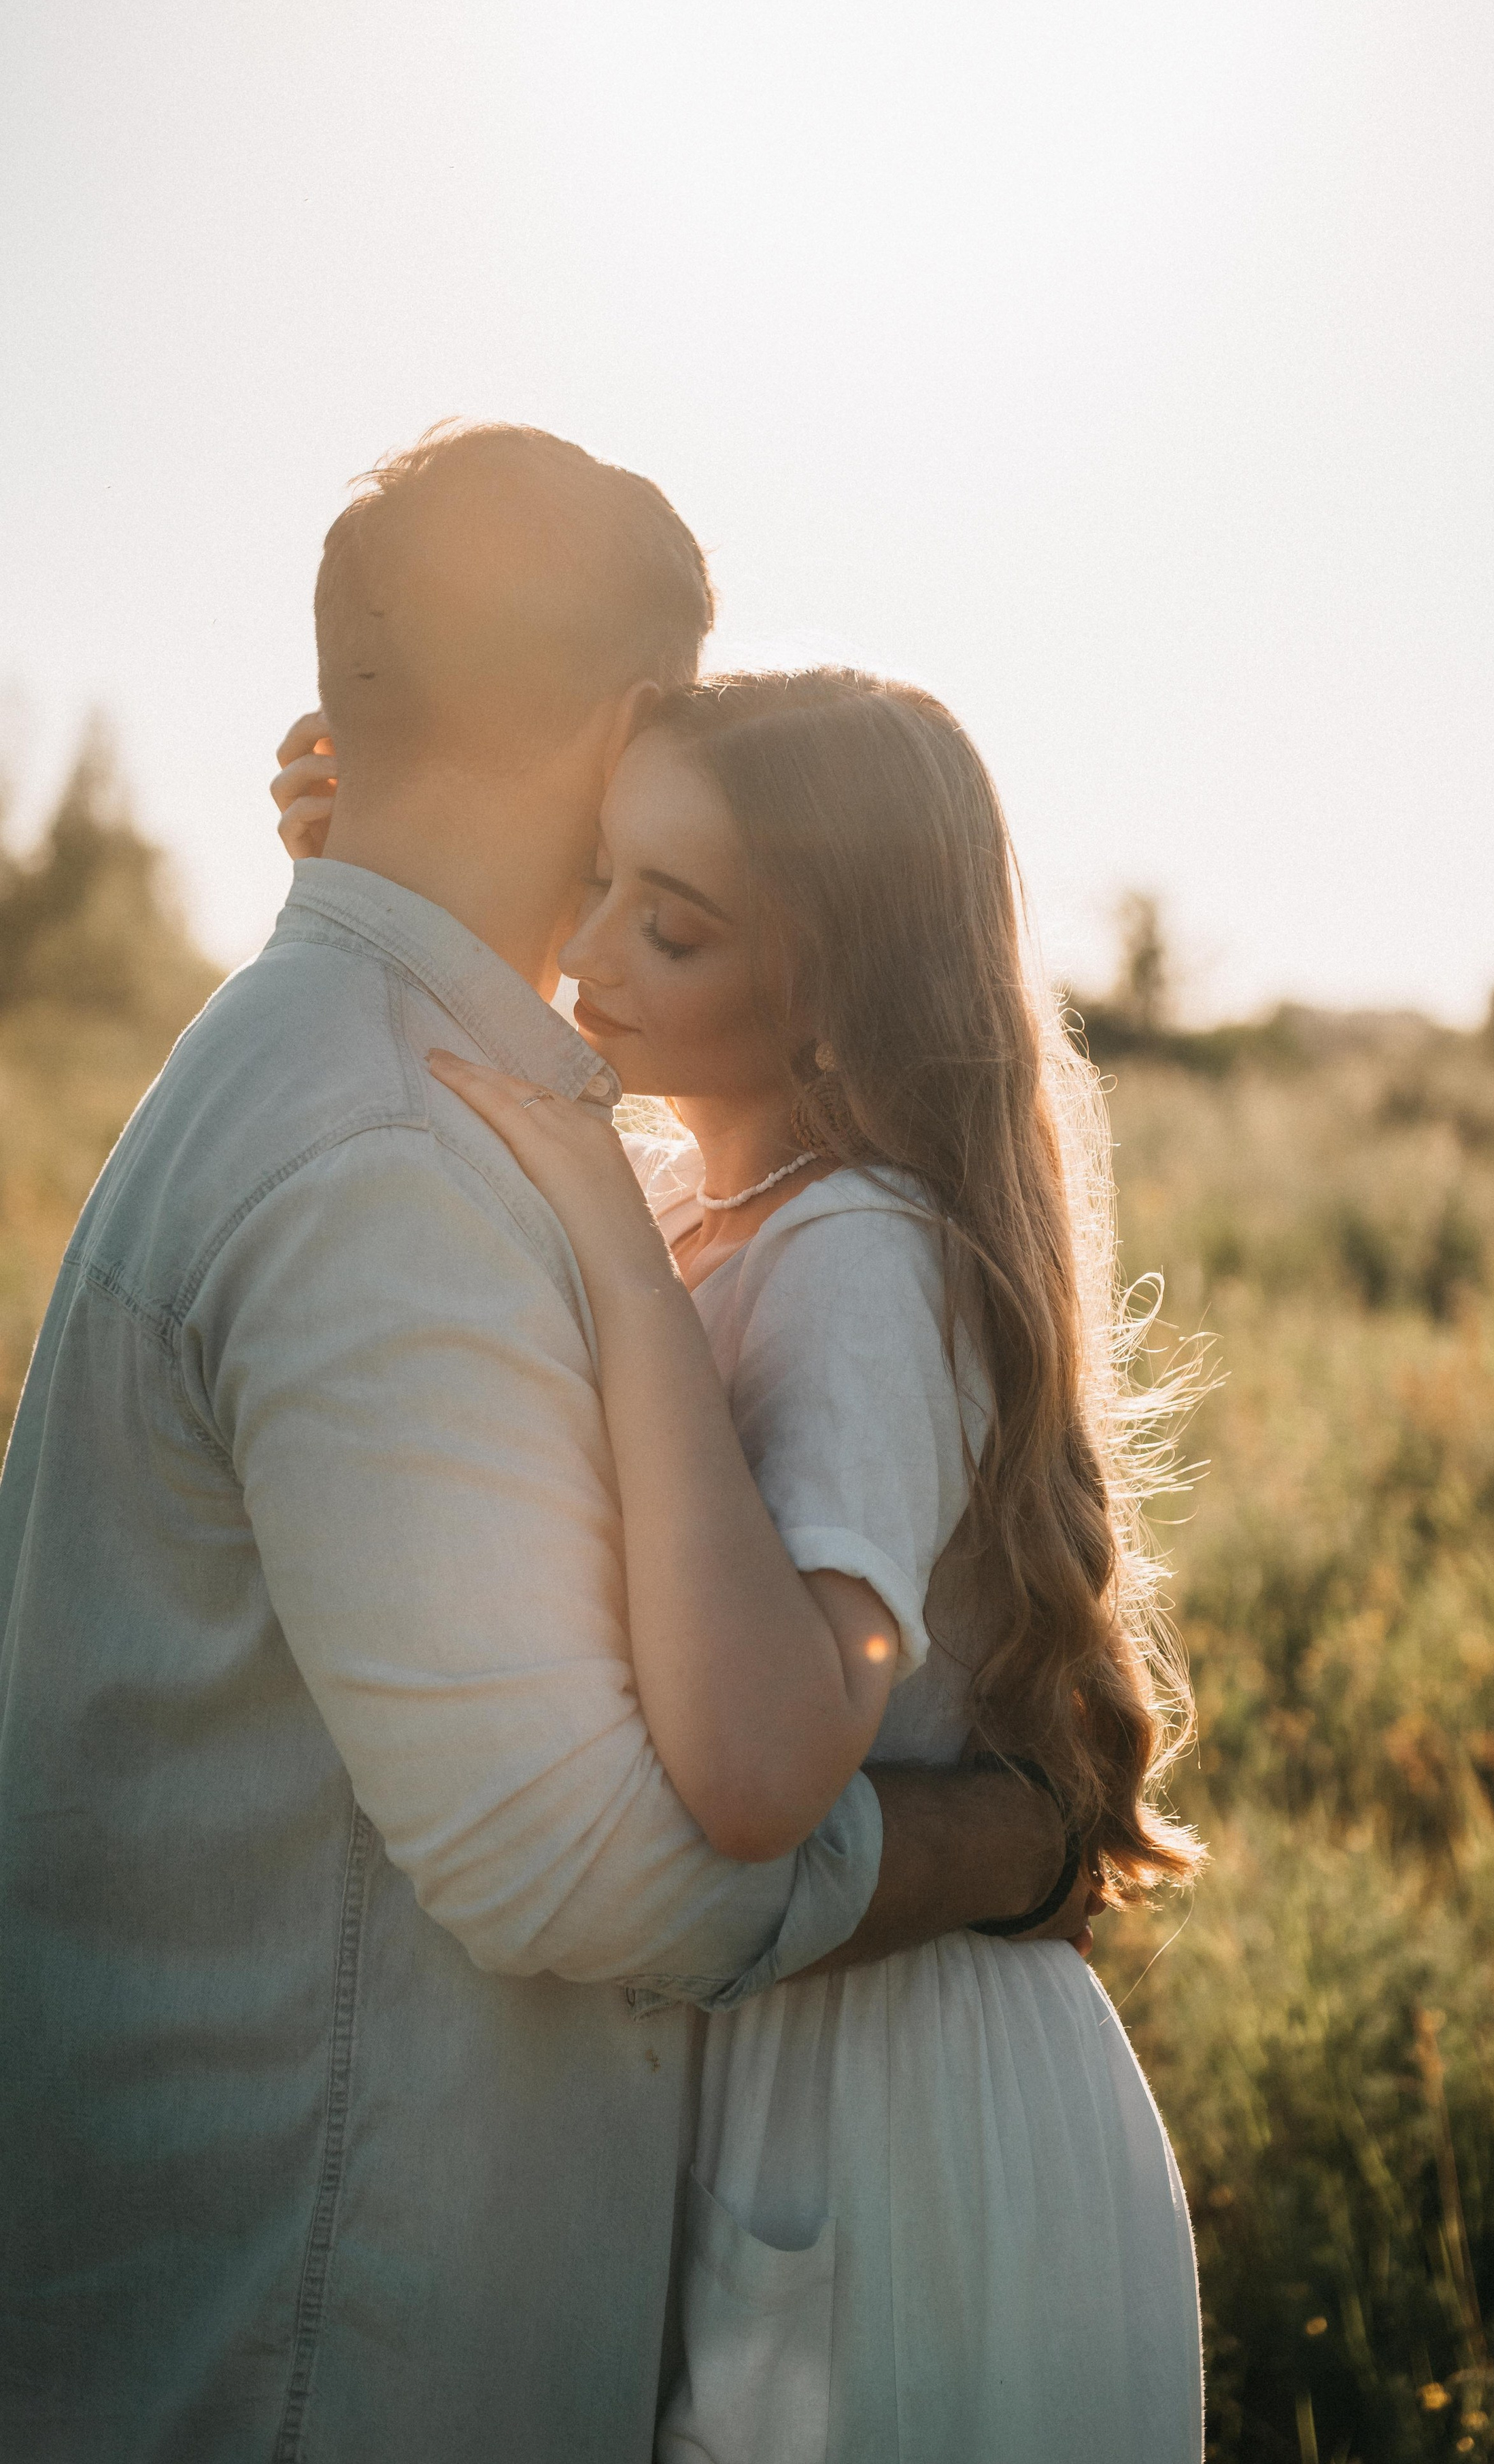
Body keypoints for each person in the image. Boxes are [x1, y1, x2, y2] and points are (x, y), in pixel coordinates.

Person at [0, 427, 1087, 2464]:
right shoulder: (391, 1149)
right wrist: (1010, 1844)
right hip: (319, 2350)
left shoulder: (324, 1056)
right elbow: (572, 1857)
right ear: (629, 719)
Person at [396, 668, 1208, 2461]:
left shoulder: (858, 1254)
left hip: (896, 2119)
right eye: (596, 877)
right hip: (789, 2075)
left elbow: (764, 1769)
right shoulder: (700, 1194)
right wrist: (370, 864)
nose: (586, 951)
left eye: (671, 925)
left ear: (832, 982)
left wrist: (616, 1250)